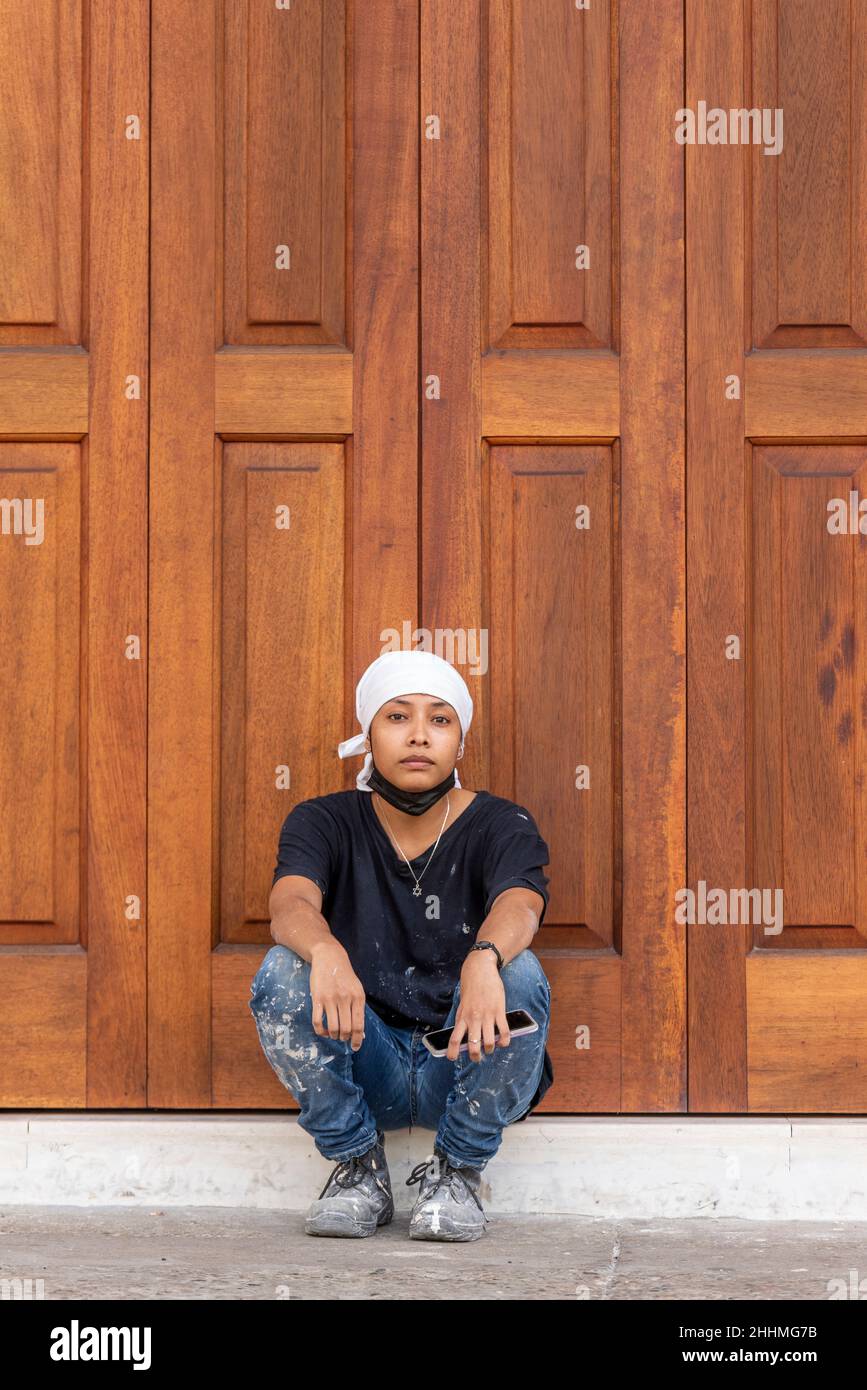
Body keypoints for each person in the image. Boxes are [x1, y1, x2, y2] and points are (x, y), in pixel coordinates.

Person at [248, 648, 553, 1242]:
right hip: (368, 1057)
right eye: (398, 717)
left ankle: (459, 1172)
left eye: (439, 720)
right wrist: (327, 951)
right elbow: (290, 905)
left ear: (460, 741)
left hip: (461, 1056)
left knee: (520, 973)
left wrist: (483, 958)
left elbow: (522, 904)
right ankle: (359, 1168)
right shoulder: (323, 821)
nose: (419, 736)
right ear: (368, 735)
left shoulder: (502, 823)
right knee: (285, 968)